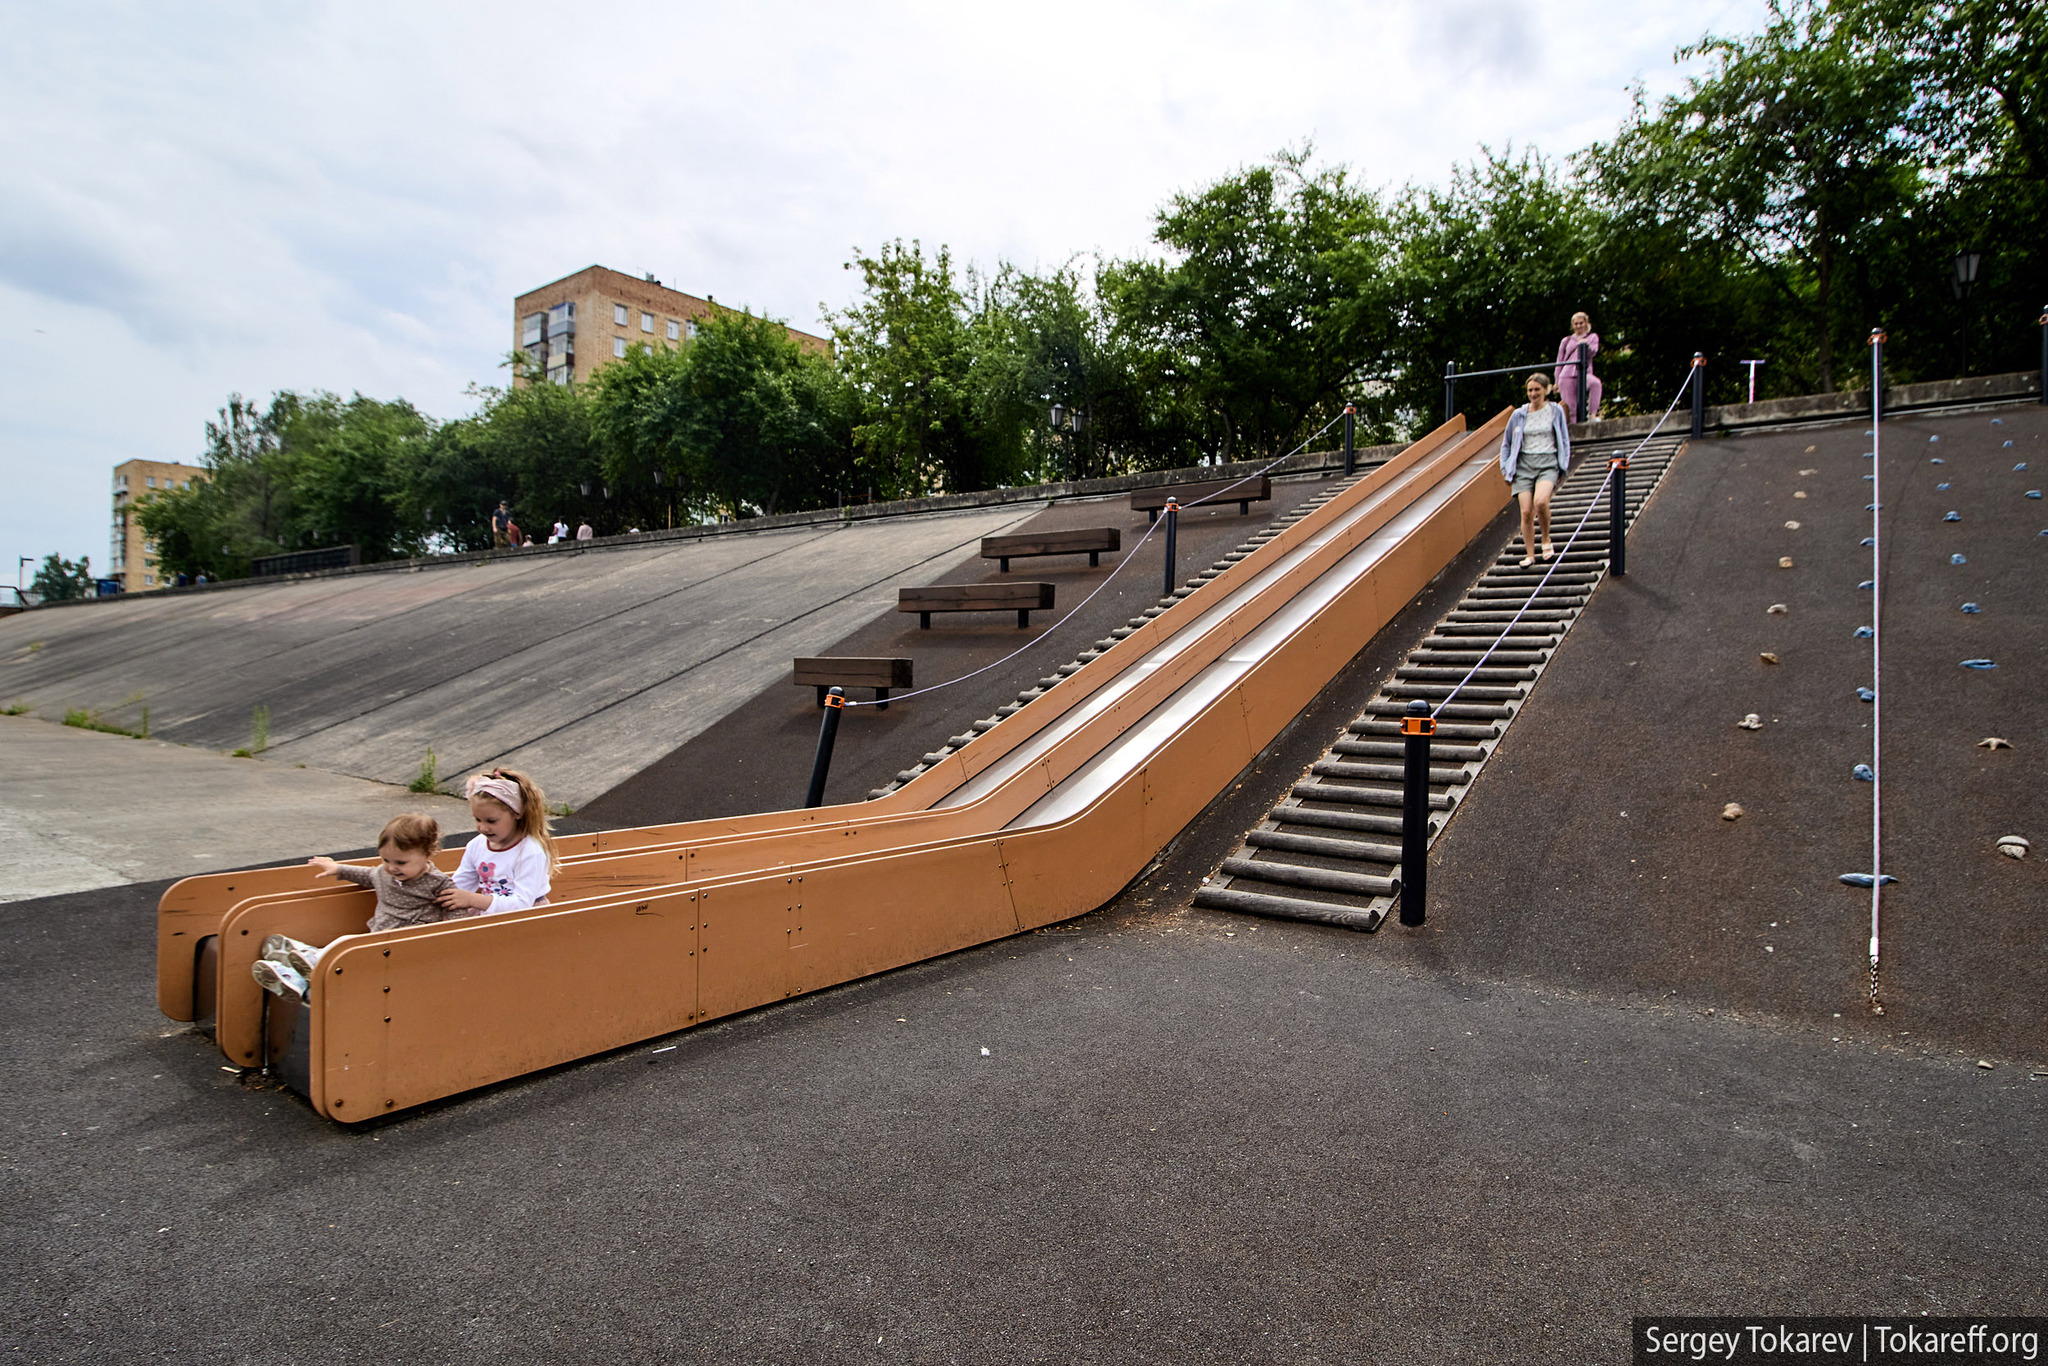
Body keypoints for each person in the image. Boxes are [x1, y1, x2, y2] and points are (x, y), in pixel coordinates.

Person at [250, 813, 463, 997]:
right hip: (377, 939)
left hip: (406, 946)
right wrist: (338, 869)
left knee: (346, 945)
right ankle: (299, 981)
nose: (391, 868)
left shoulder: (438, 883)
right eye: (386, 860)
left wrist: (445, 938)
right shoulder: (384, 873)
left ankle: (310, 956)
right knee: (348, 954)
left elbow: (456, 911)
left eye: (400, 862)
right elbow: (367, 874)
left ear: (427, 854)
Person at [438, 769, 558, 916]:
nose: (482, 828)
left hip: (526, 920)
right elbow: (460, 884)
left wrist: (473, 899)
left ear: (516, 813)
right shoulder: (477, 845)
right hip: (488, 914)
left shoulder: (530, 851)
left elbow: (521, 904)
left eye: (491, 821)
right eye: (477, 819)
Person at [1499, 372, 1572, 566]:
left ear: (1546, 390)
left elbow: (1564, 439)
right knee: (1526, 511)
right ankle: (1530, 554)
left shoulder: (1555, 411)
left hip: (1547, 463)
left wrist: (1562, 464)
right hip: (1523, 466)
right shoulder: (1519, 415)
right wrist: (1506, 468)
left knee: (1540, 502)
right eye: (1530, 390)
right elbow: (1506, 443)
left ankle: (1546, 538)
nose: (1533, 394)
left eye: (1537, 390)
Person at [1554, 313, 1602, 422]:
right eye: (1576, 324)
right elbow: (1560, 361)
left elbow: (1593, 352)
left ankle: (1592, 415)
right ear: (1572, 325)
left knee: (1595, 383)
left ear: (1586, 324)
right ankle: (1573, 432)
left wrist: (1585, 346)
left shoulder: (1592, 337)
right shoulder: (1566, 340)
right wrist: (1556, 381)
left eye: (1581, 323)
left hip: (1584, 372)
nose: (1579, 326)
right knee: (1571, 408)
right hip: (1566, 375)